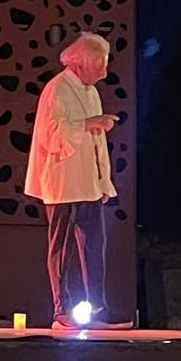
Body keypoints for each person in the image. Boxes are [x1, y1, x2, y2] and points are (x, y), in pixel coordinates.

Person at [24, 32, 127, 329]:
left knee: (95, 246)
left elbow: (97, 145)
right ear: (81, 64)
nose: (104, 73)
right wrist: (89, 123)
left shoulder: (90, 92)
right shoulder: (57, 89)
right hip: (63, 183)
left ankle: (98, 307)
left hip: (88, 185)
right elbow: (51, 134)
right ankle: (60, 310)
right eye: (100, 65)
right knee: (62, 248)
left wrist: (103, 181)